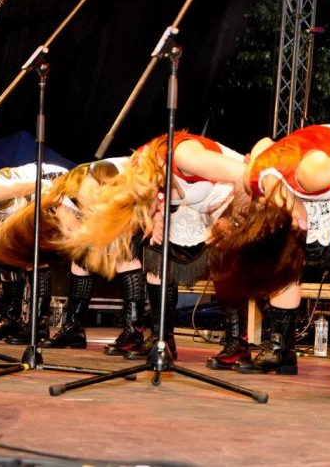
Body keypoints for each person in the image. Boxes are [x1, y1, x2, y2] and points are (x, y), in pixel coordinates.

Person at [209, 122, 330, 375]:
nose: (305, 227)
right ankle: (281, 349)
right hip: (323, 176)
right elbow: (263, 144)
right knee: (282, 256)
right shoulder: (254, 181)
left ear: (296, 219)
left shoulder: (311, 175)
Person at [57, 131, 249, 362]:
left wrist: (233, 221)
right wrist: (156, 218)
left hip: (240, 196)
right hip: (195, 203)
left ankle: (238, 343)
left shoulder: (182, 155)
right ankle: (162, 339)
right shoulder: (141, 174)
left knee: (225, 256)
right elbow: (155, 201)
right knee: (155, 254)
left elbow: (246, 175)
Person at [0, 159, 148, 354]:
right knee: (80, 259)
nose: (62, 233)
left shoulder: (86, 183)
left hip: (135, 194)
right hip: (104, 200)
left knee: (124, 256)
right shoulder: (65, 198)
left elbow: (123, 190)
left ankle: (133, 332)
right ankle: (73, 329)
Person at [0, 163, 66, 343]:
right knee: (4, 251)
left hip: (51, 182)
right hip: (34, 198)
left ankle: (37, 325)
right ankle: (12, 320)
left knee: (31, 255)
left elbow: (41, 184)